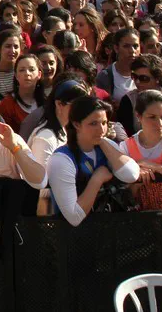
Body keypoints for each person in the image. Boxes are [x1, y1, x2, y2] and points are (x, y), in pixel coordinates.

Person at [45, 96, 140, 226]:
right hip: (74, 234)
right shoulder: (61, 159)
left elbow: (131, 175)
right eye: (93, 124)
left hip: (111, 229)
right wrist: (97, 179)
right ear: (76, 124)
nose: (101, 129)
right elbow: (74, 217)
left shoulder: (106, 146)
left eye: (104, 123)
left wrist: (102, 141)